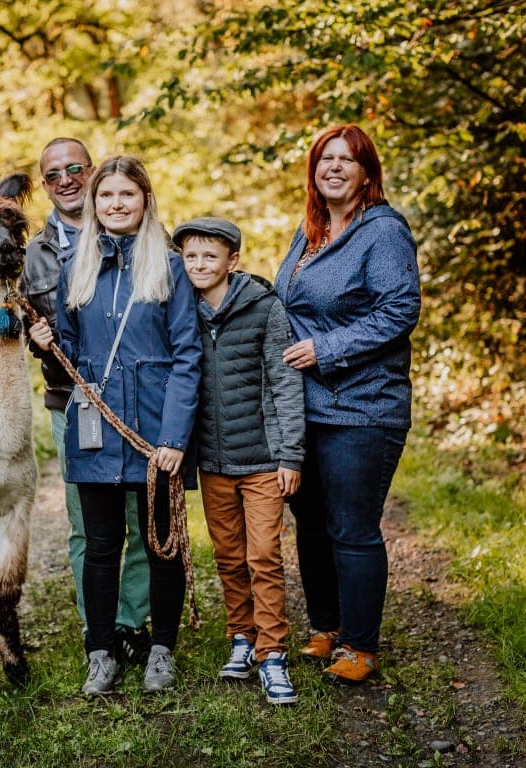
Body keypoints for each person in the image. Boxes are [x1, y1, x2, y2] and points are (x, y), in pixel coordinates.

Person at [0, 138, 152, 664]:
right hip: (74, 402)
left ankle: (132, 625)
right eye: (53, 174)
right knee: (87, 523)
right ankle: (99, 635)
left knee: (142, 520)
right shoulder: (30, 252)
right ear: (44, 186)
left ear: (91, 173)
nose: (66, 179)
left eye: (75, 168)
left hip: (142, 400)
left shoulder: (134, 235)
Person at [29, 155, 201, 695]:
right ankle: (100, 651)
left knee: (160, 544)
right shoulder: (77, 267)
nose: (116, 204)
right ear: (96, 205)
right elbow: (74, 355)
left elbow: (186, 356)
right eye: (107, 196)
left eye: (127, 194)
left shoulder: (169, 267)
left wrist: (174, 439)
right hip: (95, 429)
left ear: (145, 199)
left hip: (154, 431)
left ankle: (161, 651)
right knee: (101, 544)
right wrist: (49, 349)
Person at [274, 124, 421, 685]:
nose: (334, 167)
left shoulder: (382, 232)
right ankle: (326, 627)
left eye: (347, 159)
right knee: (309, 522)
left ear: (366, 173)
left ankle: (361, 645)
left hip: (364, 406)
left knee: (351, 526)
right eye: (325, 158)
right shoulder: (310, 230)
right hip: (306, 404)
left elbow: (399, 310)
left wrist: (326, 349)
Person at [173, 216, 305, 706]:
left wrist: (291, 455)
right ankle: (242, 637)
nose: (200, 264)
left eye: (211, 256)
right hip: (213, 463)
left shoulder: (264, 309)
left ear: (233, 260)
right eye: (191, 256)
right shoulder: (180, 309)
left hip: (264, 461)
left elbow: (286, 384)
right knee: (228, 557)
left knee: (263, 557)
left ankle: (273, 654)